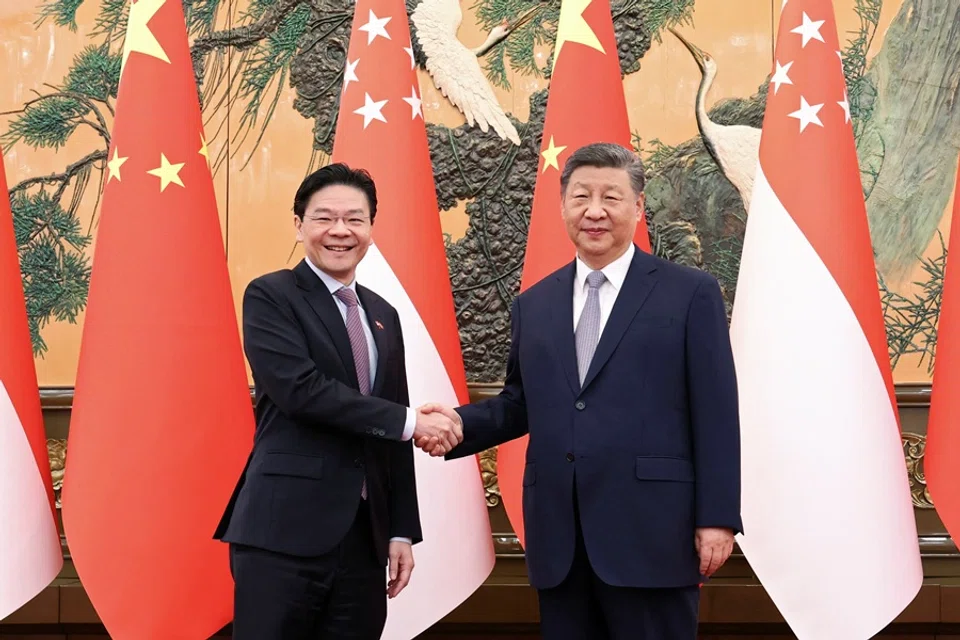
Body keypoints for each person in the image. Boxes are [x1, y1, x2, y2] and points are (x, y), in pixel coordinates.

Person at [419, 142, 742, 639]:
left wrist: (717, 517)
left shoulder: (690, 293)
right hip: (561, 538)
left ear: (638, 206)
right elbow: (522, 403)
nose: (595, 211)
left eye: (611, 197)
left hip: (654, 534)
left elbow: (716, 412)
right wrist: (458, 423)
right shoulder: (535, 303)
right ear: (563, 206)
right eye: (581, 197)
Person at [214, 163, 462, 639]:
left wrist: (400, 529)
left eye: (354, 219)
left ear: (370, 228)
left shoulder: (382, 313)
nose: (340, 231)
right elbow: (301, 391)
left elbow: (392, 426)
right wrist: (412, 422)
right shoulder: (271, 295)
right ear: (299, 224)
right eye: (324, 218)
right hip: (282, 533)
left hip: (364, 540)